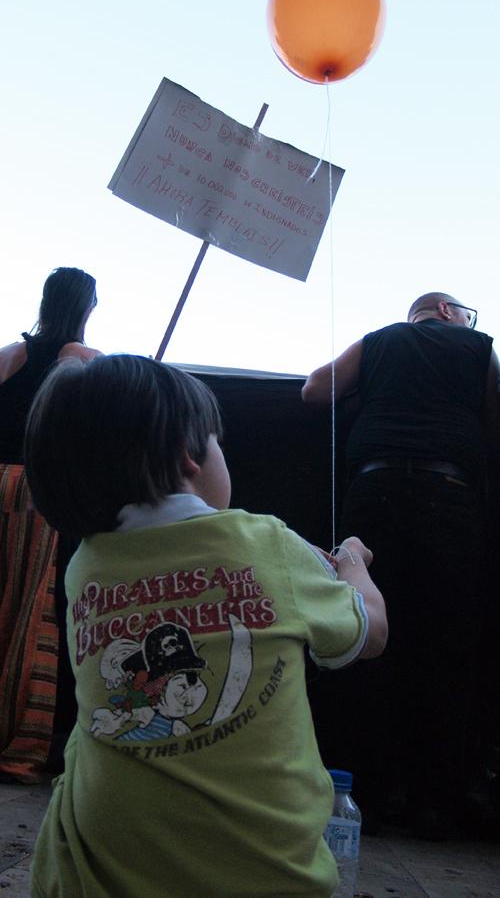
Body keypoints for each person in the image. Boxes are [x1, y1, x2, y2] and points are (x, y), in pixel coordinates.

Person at [24, 354, 387, 898]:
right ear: (190, 455)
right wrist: (350, 560)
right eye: (218, 442)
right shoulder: (265, 541)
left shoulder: (86, 568)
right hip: (271, 875)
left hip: (102, 875)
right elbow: (371, 632)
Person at [302, 292, 500, 838]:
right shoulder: (477, 346)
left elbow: (314, 390)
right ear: (444, 312)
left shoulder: (378, 341)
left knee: (366, 638)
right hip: (450, 493)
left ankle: (364, 791)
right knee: (447, 647)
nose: (467, 321)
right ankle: (436, 802)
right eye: (465, 311)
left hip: (375, 489)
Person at [0, 267, 101, 783]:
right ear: (87, 307)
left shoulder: (13, 354)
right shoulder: (81, 359)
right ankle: (20, 739)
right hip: (35, 493)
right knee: (30, 614)